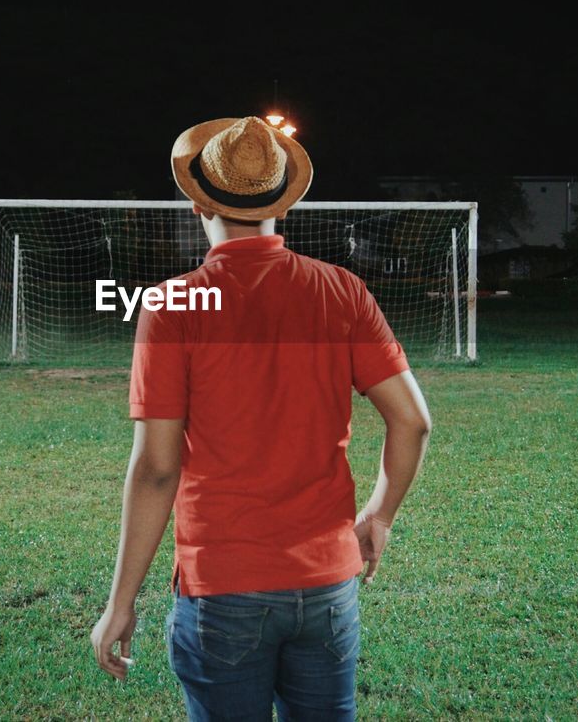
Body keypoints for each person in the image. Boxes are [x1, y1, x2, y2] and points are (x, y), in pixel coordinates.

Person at [90, 116, 432, 719]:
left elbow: (156, 470)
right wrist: (378, 516)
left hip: (223, 588)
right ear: (282, 207)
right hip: (328, 585)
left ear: (198, 206)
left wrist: (122, 599)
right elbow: (413, 422)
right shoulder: (343, 291)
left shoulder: (175, 305)